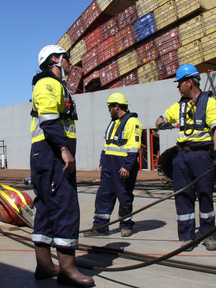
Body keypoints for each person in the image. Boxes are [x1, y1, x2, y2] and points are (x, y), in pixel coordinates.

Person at [30, 45, 94, 287]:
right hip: (53, 153)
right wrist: (64, 149)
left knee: (46, 207)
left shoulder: (55, 86)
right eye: (66, 58)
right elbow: (48, 120)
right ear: (55, 59)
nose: (69, 62)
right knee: (65, 205)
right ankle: (67, 270)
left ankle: (45, 266)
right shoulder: (48, 84)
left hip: (45, 153)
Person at [155, 64, 216, 251]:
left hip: (201, 155)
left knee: (205, 195)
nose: (177, 87)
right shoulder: (179, 106)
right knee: (183, 196)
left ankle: (207, 234)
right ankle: (187, 236)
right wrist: (162, 124)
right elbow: (160, 119)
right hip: (181, 156)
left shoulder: (210, 104)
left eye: (179, 83)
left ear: (189, 82)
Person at [84, 93, 142, 238]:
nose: (109, 110)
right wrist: (102, 163)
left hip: (123, 165)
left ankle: (126, 225)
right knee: (103, 195)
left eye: (110, 107)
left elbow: (134, 147)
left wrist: (127, 166)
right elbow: (107, 145)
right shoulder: (114, 122)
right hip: (109, 165)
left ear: (116, 107)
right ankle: (100, 227)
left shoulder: (133, 122)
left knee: (124, 196)